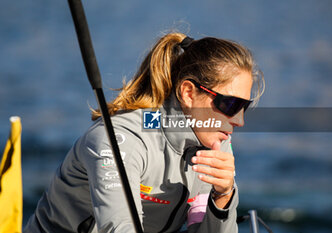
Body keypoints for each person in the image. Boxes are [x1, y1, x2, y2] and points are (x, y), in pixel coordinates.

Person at [24, 32, 264, 233]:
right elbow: (117, 228)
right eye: (230, 105)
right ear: (189, 93)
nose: (239, 121)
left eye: (244, 107)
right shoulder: (120, 140)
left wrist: (222, 199)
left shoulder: (214, 143)